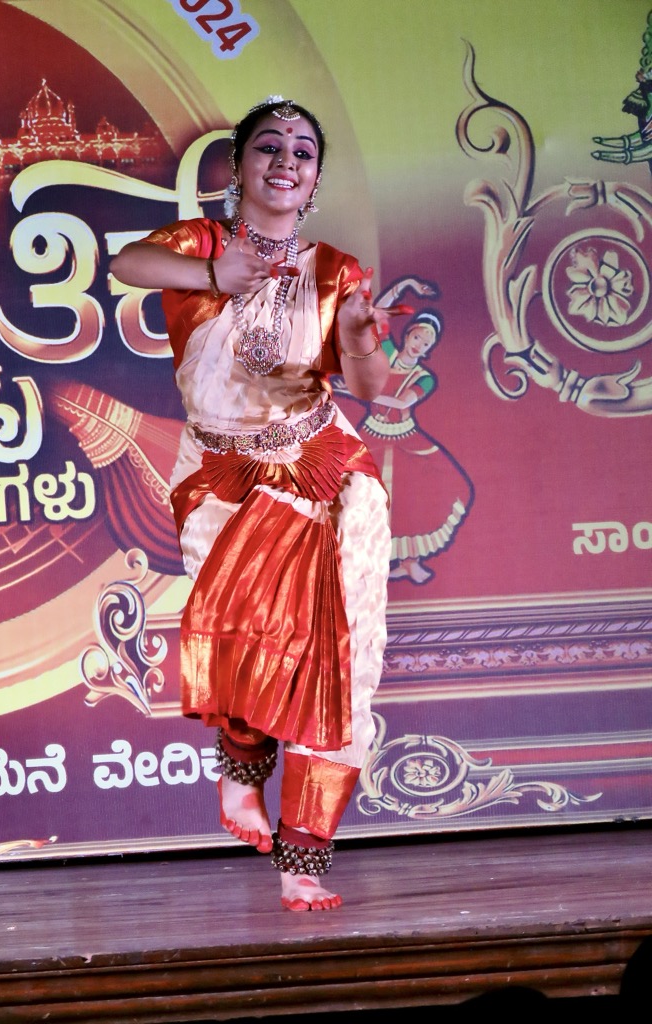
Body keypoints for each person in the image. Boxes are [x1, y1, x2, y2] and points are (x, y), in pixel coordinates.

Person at [110, 97, 393, 912]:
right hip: (224, 475)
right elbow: (127, 264)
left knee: (346, 655)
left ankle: (304, 853)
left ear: (314, 179)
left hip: (328, 472)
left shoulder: (336, 270)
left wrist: (366, 340)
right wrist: (211, 276)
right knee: (238, 638)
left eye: (303, 152)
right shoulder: (198, 243)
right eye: (269, 147)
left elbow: (371, 390)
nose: (286, 161)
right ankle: (241, 769)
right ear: (238, 166)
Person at [360, 311, 473, 584]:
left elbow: (403, 402)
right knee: (363, 494)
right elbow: (376, 320)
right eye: (417, 337)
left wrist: (362, 391)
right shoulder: (387, 354)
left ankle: (409, 563)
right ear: (408, 334)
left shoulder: (424, 377)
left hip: (404, 437)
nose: (418, 344)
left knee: (417, 497)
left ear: (429, 350)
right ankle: (369, 562)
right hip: (372, 433)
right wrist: (404, 287)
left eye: (425, 343)